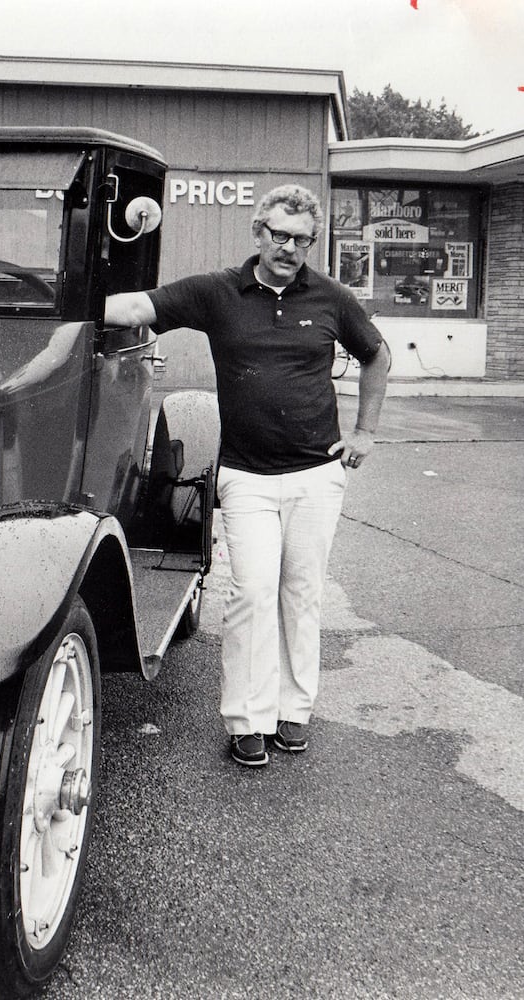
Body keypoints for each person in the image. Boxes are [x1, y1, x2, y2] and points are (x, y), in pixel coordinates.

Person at [105, 184, 390, 768]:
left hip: (316, 475)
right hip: (247, 476)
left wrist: (365, 433)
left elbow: (377, 355)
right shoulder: (217, 292)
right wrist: (58, 300)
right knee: (252, 590)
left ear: (313, 242)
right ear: (258, 232)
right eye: (278, 234)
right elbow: (135, 308)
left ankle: (294, 712)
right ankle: (246, 719)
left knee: (301, 593)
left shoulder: (332, 298)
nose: (288, 247)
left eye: (301, 239)